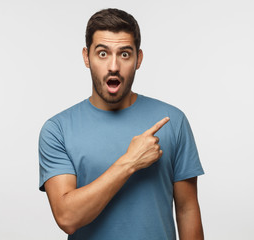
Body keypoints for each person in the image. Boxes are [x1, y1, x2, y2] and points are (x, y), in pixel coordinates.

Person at [38, 8, 204, 240]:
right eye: (102, 53)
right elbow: (67, 218)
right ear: (87, 57)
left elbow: (187, 210)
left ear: (139, 59)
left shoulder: (172, 121)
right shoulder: (57, 130)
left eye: (124, 54)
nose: (113, 66)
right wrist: (130, 162)